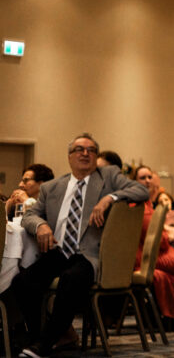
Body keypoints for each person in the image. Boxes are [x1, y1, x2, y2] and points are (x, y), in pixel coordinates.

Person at [11, 133, 148, 358]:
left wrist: (109, 198)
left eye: (91, 150)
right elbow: (30, 216)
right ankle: (39, 338)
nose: (85, 153)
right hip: (59, 251)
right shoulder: (52, 187)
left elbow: (141, 191)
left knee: (71, 279)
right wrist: (41, 226)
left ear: (95, 157)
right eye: (79, 149)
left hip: (89, 254)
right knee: (23, 282)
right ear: (69, 156)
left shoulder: (108, 176)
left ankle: (43, 345)